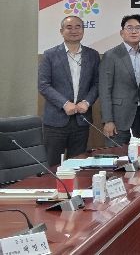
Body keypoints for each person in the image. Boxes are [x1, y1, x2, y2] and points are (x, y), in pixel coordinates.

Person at [38, 15, 100, 166]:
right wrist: (64, 103)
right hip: (55, 121)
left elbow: (98, 84)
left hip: (81, 120)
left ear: (83, 30)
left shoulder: (92, 55)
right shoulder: (50, 55)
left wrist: (87, 102)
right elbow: (43, 85)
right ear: (61, 31)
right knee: (53, 166)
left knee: (77, 165)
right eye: (69, 27)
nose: (74, 30)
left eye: (78, 27)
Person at [98, 14, 140, 145]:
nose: (134, 31)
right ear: (122, 33)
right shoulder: (111, 56)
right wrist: (108, 120)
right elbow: (104, 90)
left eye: (137, 28)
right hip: (119, 119)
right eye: (129, 28)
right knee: (117, 155)